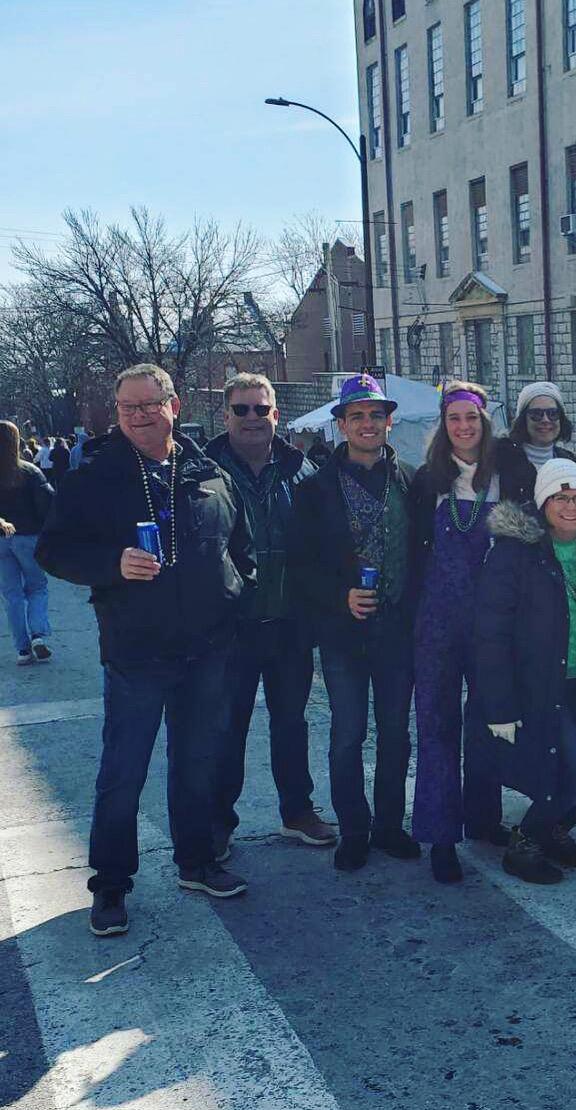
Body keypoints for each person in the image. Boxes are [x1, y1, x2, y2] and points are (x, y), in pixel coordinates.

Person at [36, 363, 255, 936]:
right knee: (122, 770)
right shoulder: (95, 476)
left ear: (173, 405)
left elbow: (241, 545)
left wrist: (234, 594)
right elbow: (53, 551)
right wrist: (111, 565)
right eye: (127, 407)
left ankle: (197, 860)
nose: (137, 415)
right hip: (136, 649)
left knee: (196, 761)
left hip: (206, 646)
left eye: (148, 404)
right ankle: (110, 883)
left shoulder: (208, 470)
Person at [288, 374, 421, 872]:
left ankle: (389, 824)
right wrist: (338, 595)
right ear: (341, 424)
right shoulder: (314, 489)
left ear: (389, 422)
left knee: (395, 733)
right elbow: (299, 565)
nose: (368, 424)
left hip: (398, 631)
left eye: (376, 415)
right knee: (347, 733)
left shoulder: (411, 479)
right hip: (343, 634)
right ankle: (354, 828)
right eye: (357, 416)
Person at [476, 459, 576, 884]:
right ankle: (525, 841)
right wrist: (498, 705)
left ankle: (555, 830)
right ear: (543, 502)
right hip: (538, 684)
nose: (570, 506)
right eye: (560, 497)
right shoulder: (515, 553)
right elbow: (490, 632)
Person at [205, 373, 334, 859]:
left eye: (261, 409)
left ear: (276, 414)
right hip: (230, 627)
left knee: (290, 722)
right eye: (241, 409)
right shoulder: (204, 469)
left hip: (290, 623)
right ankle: (219, 822)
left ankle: (297, 811)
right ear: (226, 415)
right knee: (228, 727)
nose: (252, 418)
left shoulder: (301, 471)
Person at [410, 379, 511, 884]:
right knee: (437, 727)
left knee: (489, 722)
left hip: (491, 624)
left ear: (485, 422)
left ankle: (485, 818)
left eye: (472, 418)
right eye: (454, 419)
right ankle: (441, 836)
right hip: (436, 623)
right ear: (443, 426)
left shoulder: (505, 477)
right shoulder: (426, 481)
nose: (464, 427)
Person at [0, 421, 55, 664]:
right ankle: (38, 635)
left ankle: (22, 649)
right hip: (29, 537)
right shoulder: (30, 472)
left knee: (12, 595)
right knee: (37, 586)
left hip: (2, 541)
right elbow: (48, 506)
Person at [495, 381, 576, 504]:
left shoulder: (571, 462)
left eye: (553, 413)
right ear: (523, 419)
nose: (545, 420)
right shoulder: (502, 461)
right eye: (536, 414)